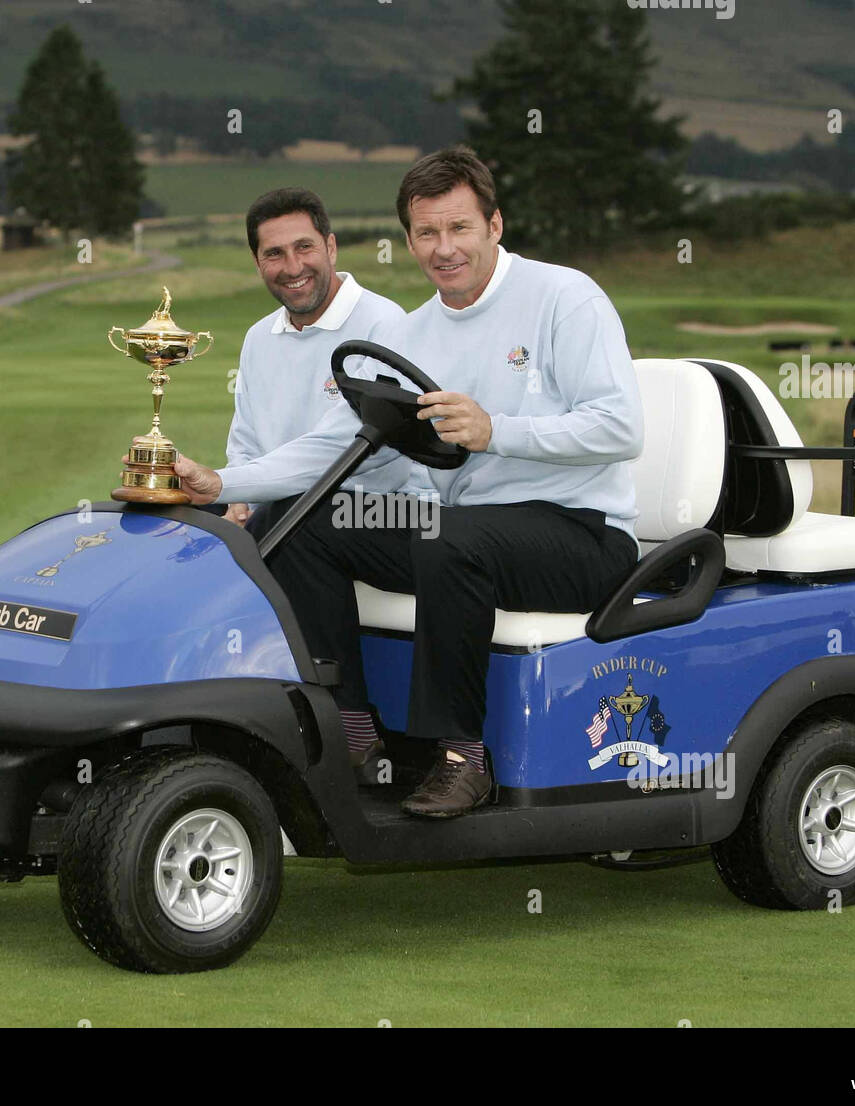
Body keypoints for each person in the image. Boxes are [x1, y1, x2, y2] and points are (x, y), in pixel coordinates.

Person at [172, 146, 643, 819]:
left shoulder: (563, 297)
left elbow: (621, 428)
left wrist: (496, 431)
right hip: (461, 532)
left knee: (451, 540)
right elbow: (332, 448)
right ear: (409, 240)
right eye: (427, 233)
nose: (444, 248)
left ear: (494, 226)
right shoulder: (415, 333)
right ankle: (355, 731)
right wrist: (219, 482)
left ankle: (462, 758)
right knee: (311, 522)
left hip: (579, 534)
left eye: (459, 228)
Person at [219, 187, 409, 536]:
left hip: (380, 510)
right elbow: (244, 441)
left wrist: (230, 485)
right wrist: (239, 499)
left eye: (304, 247)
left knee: (292, 516)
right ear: (257, 261)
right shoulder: (258, 337)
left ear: (331, 247)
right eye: (274, 254)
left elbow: (343, 453)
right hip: (280, 502)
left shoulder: (385, 324)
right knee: (174, 514)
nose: (293, 267)